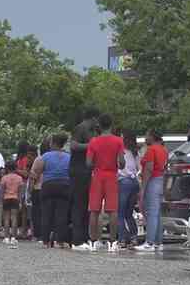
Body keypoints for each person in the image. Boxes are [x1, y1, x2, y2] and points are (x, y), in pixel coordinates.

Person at [85, 114, 125, 253]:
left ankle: (93, 241)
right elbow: (122, 163)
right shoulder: (118, 141)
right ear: (111, 125)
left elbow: (88, 163)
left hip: (97, 175)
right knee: (112, 210)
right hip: (111, 176)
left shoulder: (93, 142)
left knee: (94, 210)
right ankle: (112, 242)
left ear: (99, 126)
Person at [32, 134, 71, 248]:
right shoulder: (68, 157)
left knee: (46, 214)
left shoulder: (44, 157)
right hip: (64, 185)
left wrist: (33, 186)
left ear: (53, 143)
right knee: (62, 215)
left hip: (48, 185)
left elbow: (35, 173)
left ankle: (45, 241)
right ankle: (60, 241)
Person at [70, 108, 101, 250]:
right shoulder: (80, 128)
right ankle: (77, 240)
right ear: (93, 118)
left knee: (87, 205)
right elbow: (74, 145)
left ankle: (86, 237)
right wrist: (92, 146)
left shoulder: (93, 130)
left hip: (88, 171)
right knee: (79, 205)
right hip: (78, 171)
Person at [135, 130, 169, 252]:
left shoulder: (151, 150)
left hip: (153, 181)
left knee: (151, 213)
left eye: (147, 135)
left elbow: (149, 168)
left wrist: (143, 187)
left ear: (152, 137)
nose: (145, 138)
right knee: (157, 213)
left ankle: (149, 242)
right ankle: (158, 242)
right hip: (160, 180)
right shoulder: (164, 150)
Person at [118, 130, 141, 250]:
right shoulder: (135, 153)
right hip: (134, 183)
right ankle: (134, 237)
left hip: (123, 182)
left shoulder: (120, 152)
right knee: (129, 213)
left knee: (120, 213)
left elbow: (118, 168)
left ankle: (122, 239)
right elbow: (139, 169)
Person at [29, 137, 50, 242]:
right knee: (47, 212)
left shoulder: (39, 159)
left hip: (38, 189)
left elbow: (33, 176)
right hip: (49, 188)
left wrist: (30, 190)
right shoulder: (53, 158)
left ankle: (38, 234)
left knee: (37, 213)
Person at [0, 161, 24, 248]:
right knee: (14, 218)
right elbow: (20, 191)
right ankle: (13, 237)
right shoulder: (19, 178)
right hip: (15, 198)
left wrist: (1, 201)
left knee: (6, 218)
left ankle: (6, 237)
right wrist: (20, 202)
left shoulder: (4, 178)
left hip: (6, 198)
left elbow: (2, 191)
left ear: (7, 168)